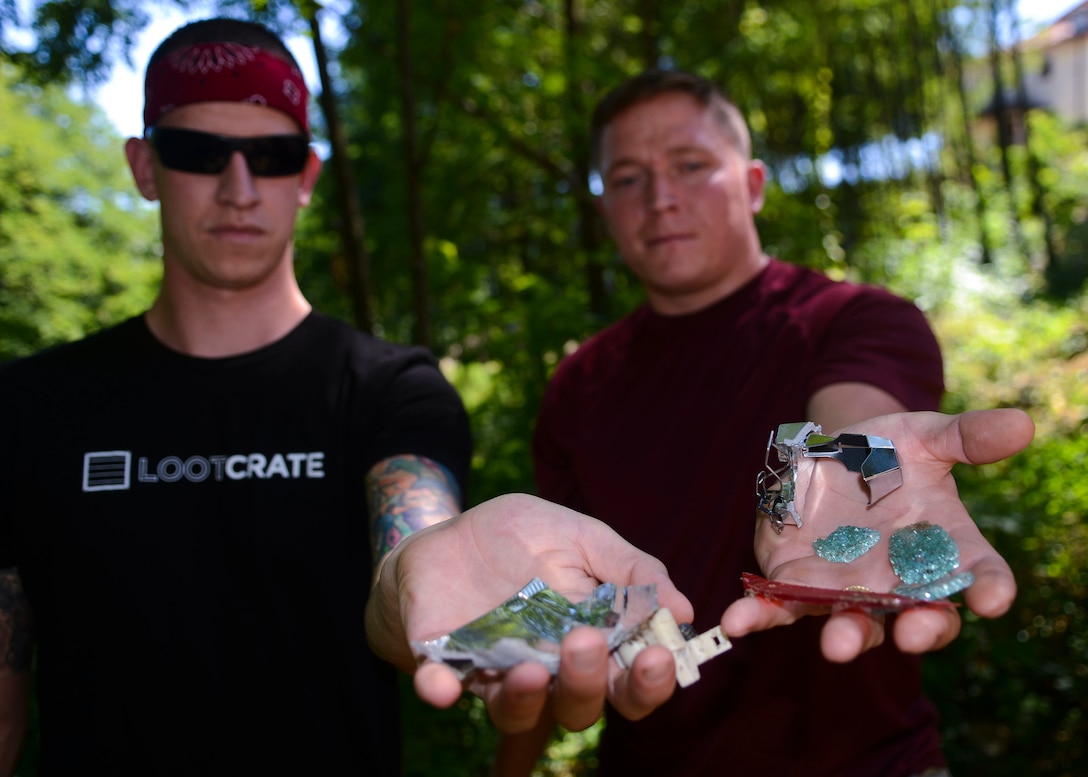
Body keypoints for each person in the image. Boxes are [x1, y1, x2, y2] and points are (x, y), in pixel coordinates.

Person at [522, 69, 1034, 776]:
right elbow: (569, 583)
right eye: (630, 179)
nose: (662, 198)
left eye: (691, 165)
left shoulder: (852, 320)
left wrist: (855, 469)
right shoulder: (577, 384)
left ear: (753, 183)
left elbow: (855, 417)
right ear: (605, 207)